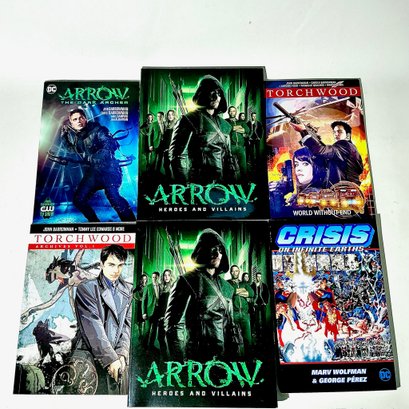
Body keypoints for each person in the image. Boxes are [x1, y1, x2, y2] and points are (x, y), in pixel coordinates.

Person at [164, 228, 234, 361]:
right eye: (212, 248)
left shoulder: (227, 288)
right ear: (202, 250)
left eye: (220, 250)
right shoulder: (186, 281)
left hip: (222, 358)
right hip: (196, 357)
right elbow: (173, 326)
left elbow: (229, 326)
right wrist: (180, 363)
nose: (217, 253)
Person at [73, 245, 132, 394]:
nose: (116, 270)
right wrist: (111, 358)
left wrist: (122, 353)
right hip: (92, 357)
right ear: (101, 264)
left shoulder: (128, 290)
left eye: (120, 265)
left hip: (118, 362)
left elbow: (127, 326)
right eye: (111, 265)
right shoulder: (86, 288)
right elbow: (93, 328)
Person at [60, 108, 136, 222]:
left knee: (114, 197)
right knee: (78, 200)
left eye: (81, 118)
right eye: (75, 119)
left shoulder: (98, 129)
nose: (78, 121)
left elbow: (109, 144)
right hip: (94, 173)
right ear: (71, 123)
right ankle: (95, 223)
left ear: (85, 119)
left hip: (110, 170)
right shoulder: (78, 138)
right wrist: (64, 136)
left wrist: (95, 157)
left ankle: (131, 224)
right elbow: (72, 150)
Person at [168, 75, 236, 184]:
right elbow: (177, 156)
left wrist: (230, 182)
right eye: (212, 92)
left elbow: (228, 157)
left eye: (219, 93)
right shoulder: (188, 120)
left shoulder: (225, 125)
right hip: (197, 181)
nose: (216, 97)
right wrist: (184, 185)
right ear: (202, 93)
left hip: (220, 182)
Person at [291, 120, 363, 186]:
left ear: (348, 135)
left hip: (343, 189)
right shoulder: (349, 150)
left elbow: (320, 150)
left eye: (339, 132)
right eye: (334, 132)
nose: (336, 134)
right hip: (348, 189)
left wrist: (303, 131)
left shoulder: (344, 145)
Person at [227, 265, 254, 357]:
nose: (235, 273)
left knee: (248, 338)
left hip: (244, 314)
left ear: (239, 272)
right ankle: (233, 358)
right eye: (233, 271)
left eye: (236, 271)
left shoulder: (244, 283)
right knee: (232, 337)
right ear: (231, 272)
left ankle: (249, 358)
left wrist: (236, 292)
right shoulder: (228, 283)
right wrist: (242, 291)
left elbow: (251, 293)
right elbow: (229, 292)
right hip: (233, 314)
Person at [226, 106, 249, 179]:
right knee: (229, 166)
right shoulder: (226, 121)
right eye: (230, 111)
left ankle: (244, 182)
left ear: (236, 112)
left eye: (233, 111)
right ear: (228, 112)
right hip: (231, 147)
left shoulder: (241, 122)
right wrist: (239, 128)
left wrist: (234, 128)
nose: (232, 112)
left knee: (243, 166)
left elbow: (246, 130)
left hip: (240, 147)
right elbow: (228, 129)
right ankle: (231, 182)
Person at [157, 269, 175, 359]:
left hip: (169, 317)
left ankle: (172, 359)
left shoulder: (173, 288)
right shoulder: (161, 288)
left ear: (171, 276)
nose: (166, 277)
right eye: (165, 275)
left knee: (170, 339)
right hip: (161, 317)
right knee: (160, 338)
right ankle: (165, 358)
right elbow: (160, 304)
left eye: (168, 275)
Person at [142, 272, 161, 349]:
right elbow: (144, 300)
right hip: (149, 311)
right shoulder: (148, 287)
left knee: (154, 330)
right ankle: (144, 346)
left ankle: (151, 345)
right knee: (147, 330)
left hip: (157, 311)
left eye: (156, 277)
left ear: (158, 278)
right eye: (153, 277)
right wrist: (144, 313)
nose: (154, 279)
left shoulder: (161, 287)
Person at [156, 110, 177, 178]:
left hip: (170, 147)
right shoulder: (167, 124)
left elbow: (174, 138)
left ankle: (170, 180)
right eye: (169, 115)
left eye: (172, 114)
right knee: (165, 165)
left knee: (168, 164)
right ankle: (168, 179)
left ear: (174, 115)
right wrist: (160, 125)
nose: (170, 116)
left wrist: (169, 148)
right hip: (165, 146)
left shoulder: (176, 124)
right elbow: (164, 135)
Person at [251, 272, 270, 341]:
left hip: (262, 304)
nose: (259, 278)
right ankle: (257, 334)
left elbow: (267, 294)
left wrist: (265, 302)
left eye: (260, 276)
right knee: (256, 319)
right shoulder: (253, 285)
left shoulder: (264, 285)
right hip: (256, 304)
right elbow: (250, 295)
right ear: (255, 277)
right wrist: (253, 303)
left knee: (263, 319)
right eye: (257, 276)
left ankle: (264, 334)